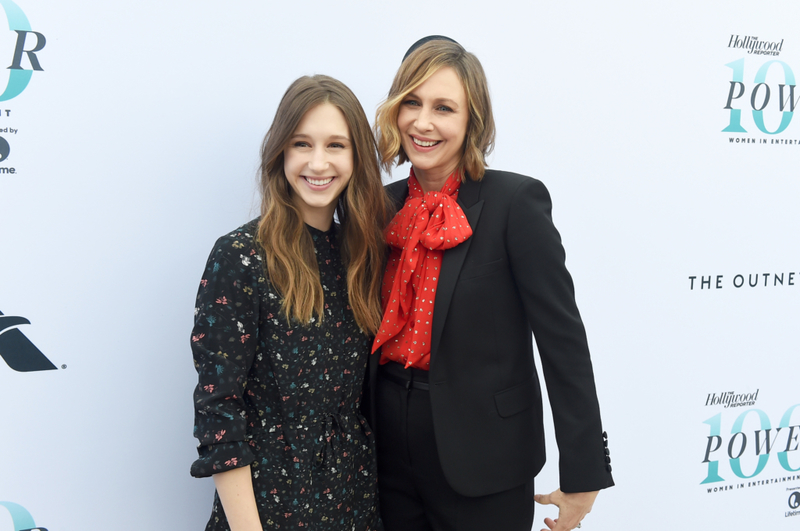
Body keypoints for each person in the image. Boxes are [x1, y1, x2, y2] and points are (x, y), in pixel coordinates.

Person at [364, 36, 614, 531]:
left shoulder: (516, 202)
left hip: (486, 456)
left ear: (472, 121)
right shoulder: (378, 206)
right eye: (411, 102)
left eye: (444, 108)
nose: (423, 122)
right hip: (385, 448)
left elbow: (562, 340)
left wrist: (584, 472)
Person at [190, 75, 389, 531]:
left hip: (356, 506)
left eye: (336, 145)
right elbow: (219, 410)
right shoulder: (241, 255)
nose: (318, 162)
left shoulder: (362, 258)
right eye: (302, 143)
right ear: (280, 152)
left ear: (357, 156)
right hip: (268, 512)